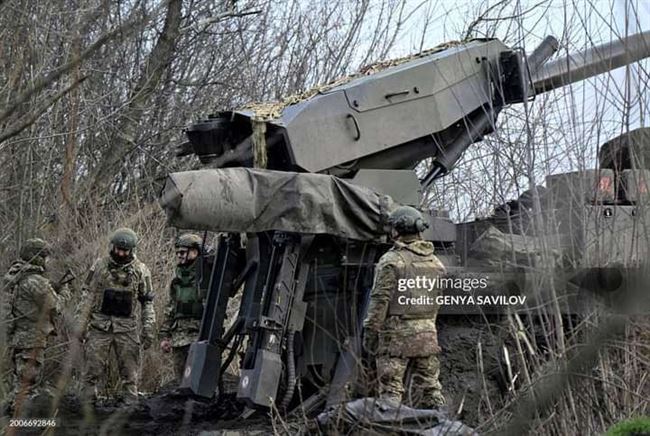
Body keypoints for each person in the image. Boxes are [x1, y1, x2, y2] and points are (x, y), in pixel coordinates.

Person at [362, 206, 446, 408]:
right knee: (432, 391)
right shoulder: (436, 263)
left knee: (390, 395)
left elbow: (380, 300)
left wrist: (371, 332)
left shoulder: (392, 261)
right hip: (427, 335)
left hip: (396, 337)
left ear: (397, 230)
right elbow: (436, 302)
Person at [78, 228, 155, 404]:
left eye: (125, 250)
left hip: (127, 327)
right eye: (118, 249)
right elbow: (87, 297)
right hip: (100, 326)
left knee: (130, 371)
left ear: (132, 250)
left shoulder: (141, 270)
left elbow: (147, 302)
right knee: (92, 368)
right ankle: (86, 404)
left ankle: (129, 405)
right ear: (112, 247)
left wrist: (149, 328)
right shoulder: (99, 266)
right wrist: (80, 324)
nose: (120, 253)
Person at [2, 238, 60, 407]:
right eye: (45, 257)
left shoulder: (15, 275)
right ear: (37, 257)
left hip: (18, 337)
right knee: (28, 388)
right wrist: (64, 292)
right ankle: (22, 426)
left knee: (19, 385)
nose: (47, 261)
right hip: (32, 338)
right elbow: (55, 307)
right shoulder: (35, 280)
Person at [160, 233, 204, 379]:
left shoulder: (206, 277)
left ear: (195, 252)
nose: (180, 256)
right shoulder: (177, 279)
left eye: (183, 252)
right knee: (180, 378)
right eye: (178, 252)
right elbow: (171, 307)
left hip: (199, 335)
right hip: (179, 335)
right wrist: (165, 336)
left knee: (198, 378)